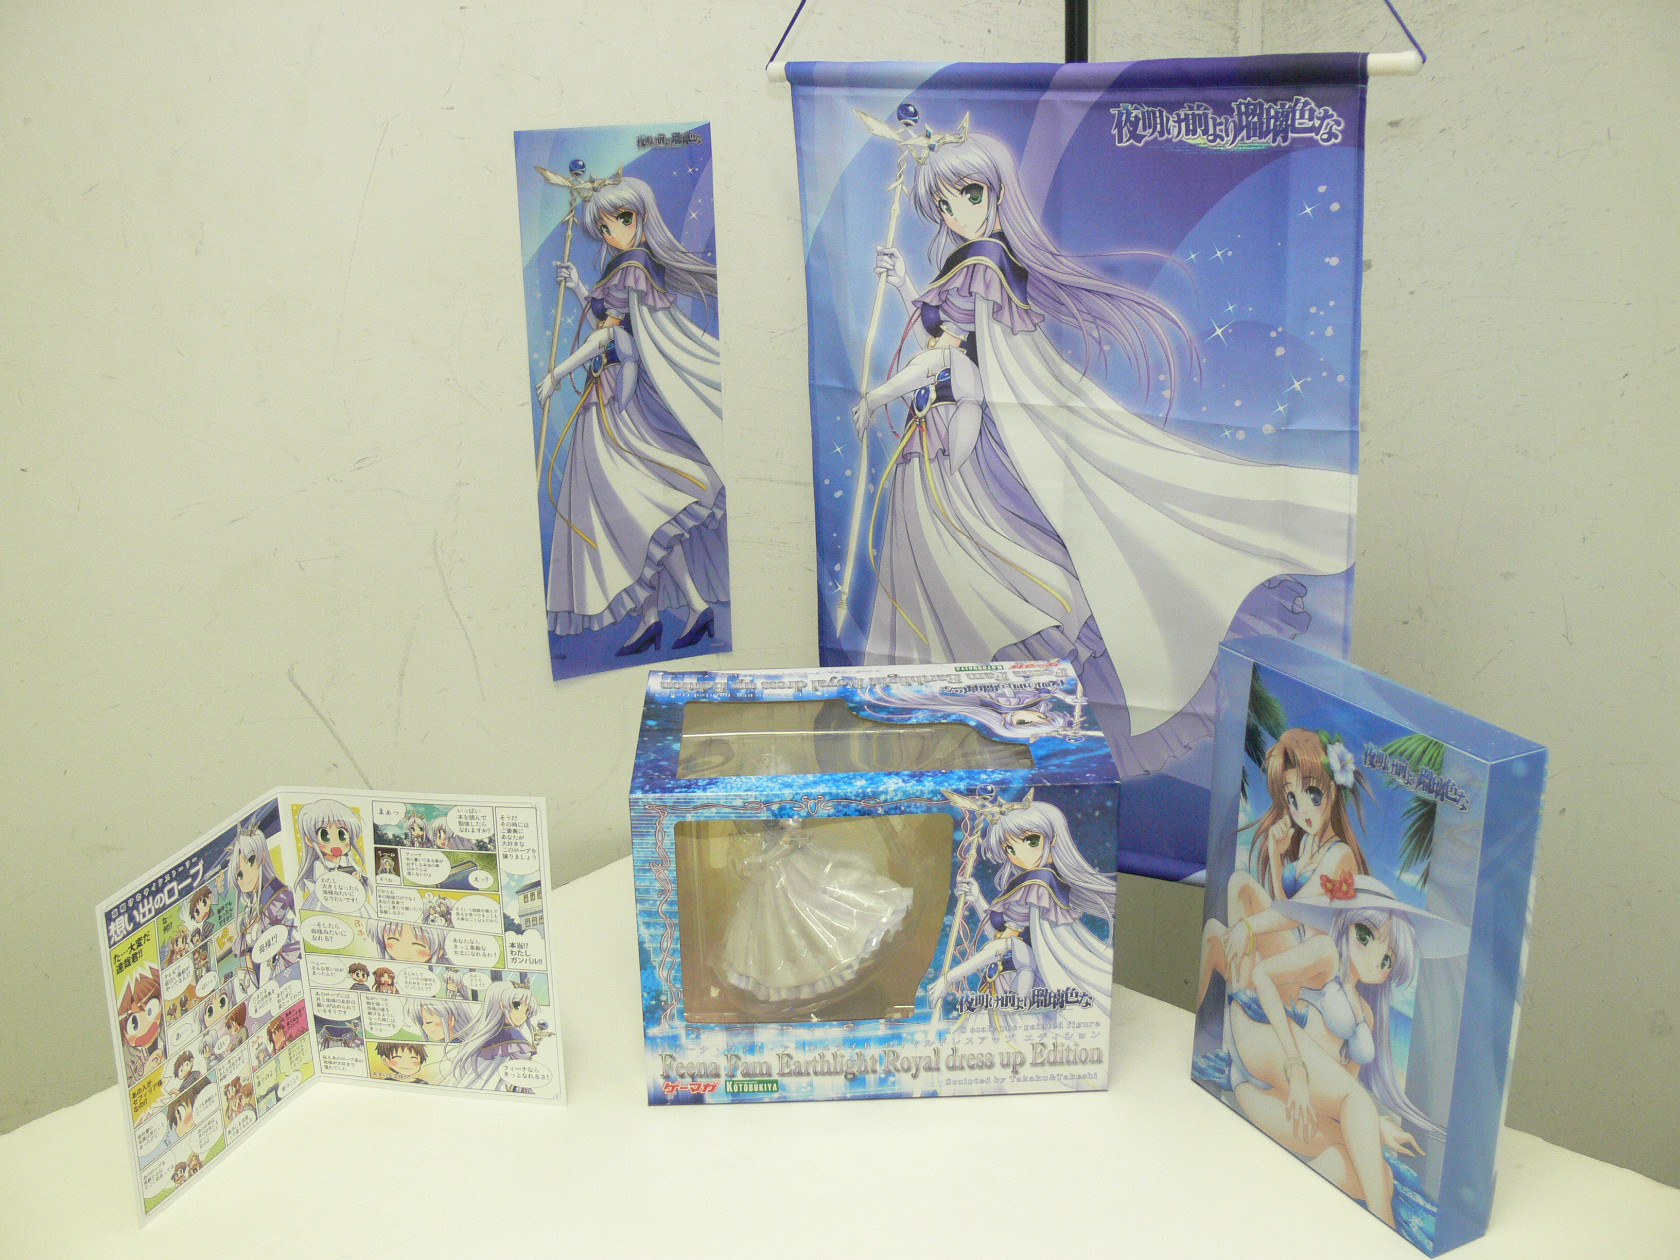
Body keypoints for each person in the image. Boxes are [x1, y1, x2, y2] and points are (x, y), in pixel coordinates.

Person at [857, 124, 1356, 774]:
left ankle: (1005, 725)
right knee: (995, 571)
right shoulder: (975, 263)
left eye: (968, 195)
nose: (956, 213)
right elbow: (946, 334)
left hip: (974, 431)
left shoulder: (983, 262)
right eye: (943, 205)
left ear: (996, 193)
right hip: (962, 423)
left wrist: (904, 383)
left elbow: (956, 349)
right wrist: (905, 285)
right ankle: (1001, 723)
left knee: (1014, 572)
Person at [535, 175, 727, 656]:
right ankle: (657, 616)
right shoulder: (622, 268)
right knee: (635, 516)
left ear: (640, 217)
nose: (613, 232)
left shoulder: (634, 265)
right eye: (604, 227)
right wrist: (581, 288)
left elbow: (606, 338)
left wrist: (557, 373)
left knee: (639, 512)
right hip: (606, 399)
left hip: (615, 407)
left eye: (621, 219)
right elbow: (606, 324)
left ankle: (683, 609)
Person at [1218, 877, 1467, 1227]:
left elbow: (1340, 1090)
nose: (1375, 959)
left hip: (1282, 1100)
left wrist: (1374, 1128)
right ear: (1347, 924)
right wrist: (1296, 1069)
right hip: (1268, 1054)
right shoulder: (1328, 954)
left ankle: (1284, 1210)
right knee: (1360, 1109)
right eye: (1365, 936)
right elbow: (1262, 975)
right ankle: (1385, 1230)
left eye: (1388, 959)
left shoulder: (1366, 1016)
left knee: (1380, 1176)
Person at [1197, 728, 1371, 1004]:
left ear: (1332, 789)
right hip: (1296, 949)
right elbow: (1284, 909)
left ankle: (1244, 998)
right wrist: (1275, 857)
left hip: (1317, 966)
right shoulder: (1307, 844)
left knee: (1240, 898)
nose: (1302, 811)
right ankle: (1243, 992)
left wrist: (1248, 927)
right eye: (1293, 799)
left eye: (1313, 795)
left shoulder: (1340, 854)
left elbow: (1297, 912)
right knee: (1218, 924)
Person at [928, 792, 1116, 1018]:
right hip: (1005, 977)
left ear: (1052, 839)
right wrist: (977, 899)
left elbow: (1002, 945)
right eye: (1009, 848)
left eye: (1031, 841)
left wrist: (948, 978)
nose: (1019, 855)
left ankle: (1016, 1003)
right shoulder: (1023, 884)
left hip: (1024, 979)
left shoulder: (1041, 882)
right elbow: (996, 937)